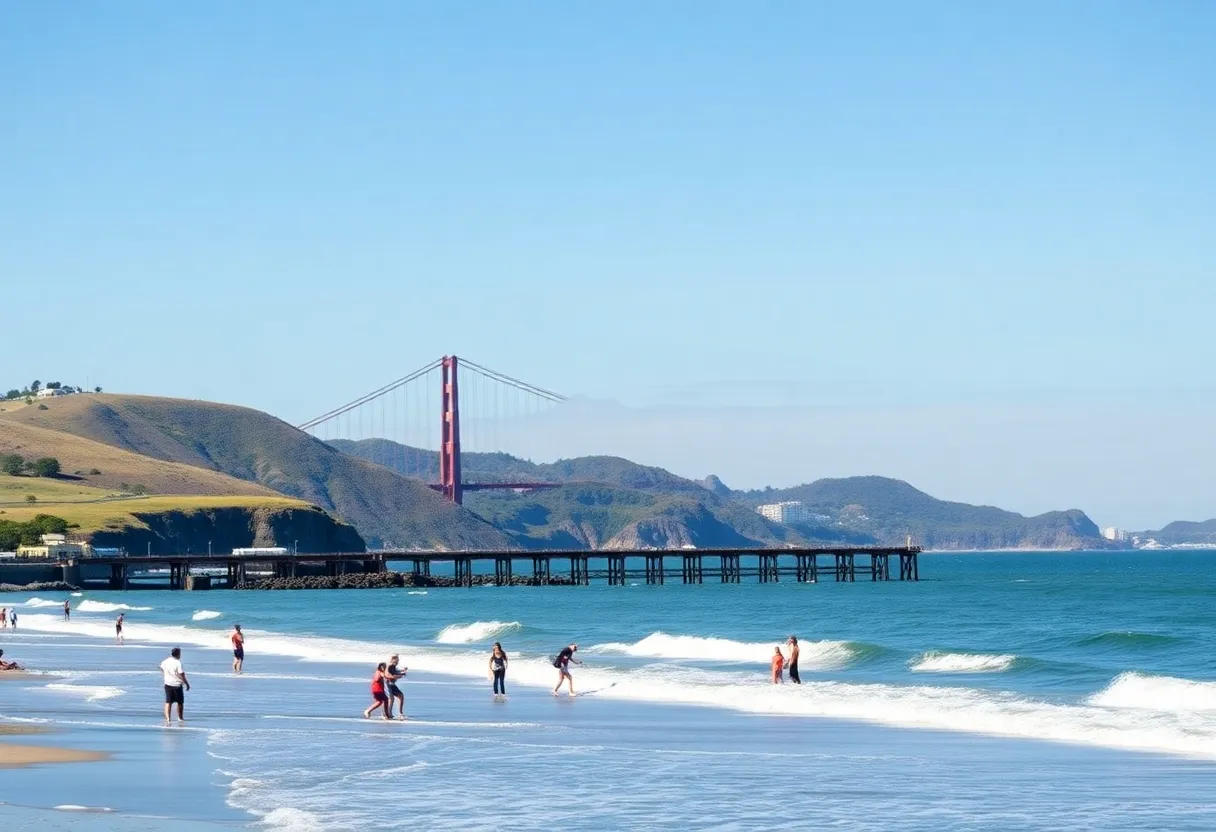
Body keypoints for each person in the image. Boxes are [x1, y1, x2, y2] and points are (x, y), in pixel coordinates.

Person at [160, 647, 190, 724]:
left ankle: (168, 718)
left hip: (167, 683)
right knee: (180, 702)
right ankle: (180, 718)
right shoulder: (178, 662)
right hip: (177, 684)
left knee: (168, 702)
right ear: (178, 654)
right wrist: (186, 683)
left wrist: (166, 674)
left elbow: (161, 667)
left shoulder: (166, 661)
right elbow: (181, 673)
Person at [385, 654, 407, 719]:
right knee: (391, 699)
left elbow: (395, 672)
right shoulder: (389, 666)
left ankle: (400, 712)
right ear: (393, 661)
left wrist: (402, 671)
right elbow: (388, 675)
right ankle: (388, 713)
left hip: (392, 684)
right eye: (397, 661)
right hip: (388, 684)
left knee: (401, 696)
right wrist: (399, 676)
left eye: (398, 661)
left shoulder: (393, 666)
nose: (397, 662)